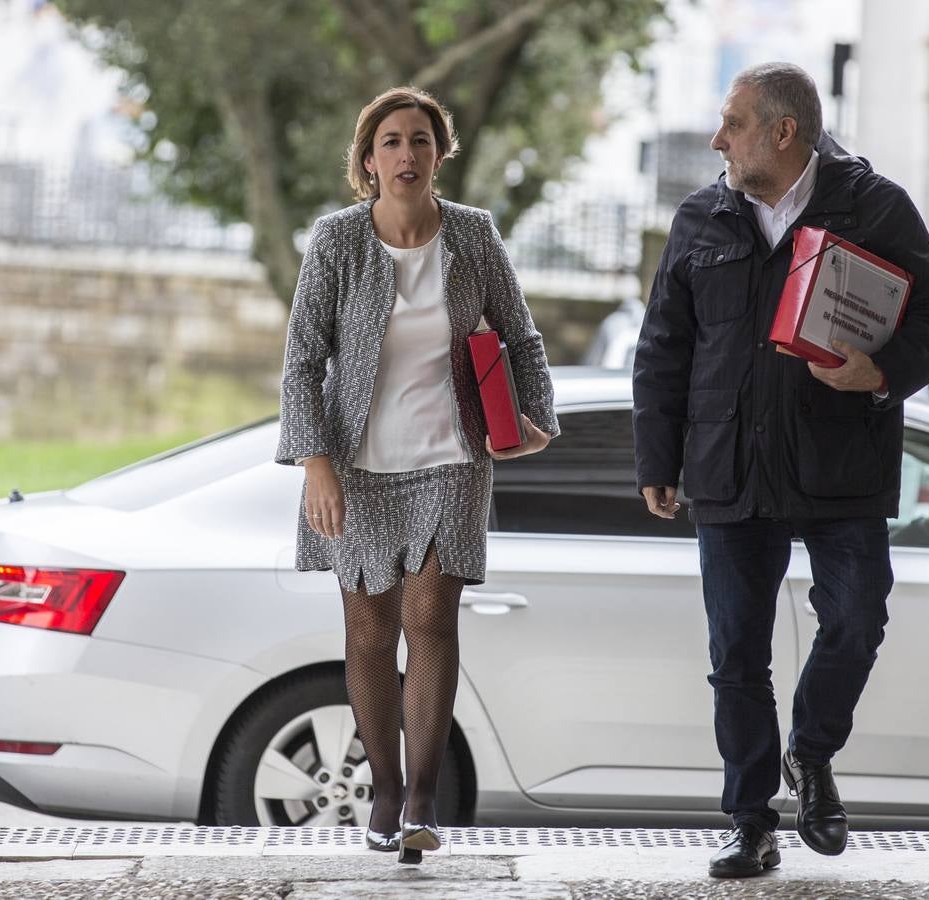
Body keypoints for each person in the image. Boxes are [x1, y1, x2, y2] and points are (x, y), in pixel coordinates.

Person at [632, 62, 929, 879]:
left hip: (837, 462)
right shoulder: (702, 216)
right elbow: (663, 347)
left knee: (857, 620)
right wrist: (658, 457)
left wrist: (878, 373)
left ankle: (810, 755)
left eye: (733, 123)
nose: (718, 139)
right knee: (736, 656)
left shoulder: (872, 207)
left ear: (783, 132)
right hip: (727, 468)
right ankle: (750, 821)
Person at [275, 86, 557, 863]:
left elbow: (521, 338)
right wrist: (316, 467)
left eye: (420, 141)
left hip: (451, 460)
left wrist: (533, 420)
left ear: (440, 154)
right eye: (392, 141)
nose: (407, 154)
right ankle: (387, 794)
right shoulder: (335, 242)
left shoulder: (472, 235)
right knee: (369, 634)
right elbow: (301, 363)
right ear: (369, 160)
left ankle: (424, 800)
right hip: (358, 465)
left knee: (431, 621)